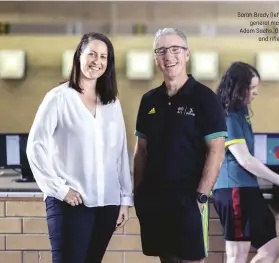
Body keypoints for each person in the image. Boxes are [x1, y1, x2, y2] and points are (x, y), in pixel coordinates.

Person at [26, 32, 133, 263]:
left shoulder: (111, 103)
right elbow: (35, 147)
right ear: (78, 57)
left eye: (103, 56)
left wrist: (125, 198)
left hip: (107, 203)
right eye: (92, 54)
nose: (97, 61)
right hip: (70, 202)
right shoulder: (58, 98)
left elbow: (121, 153)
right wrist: (59, 189)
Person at [133, 27, 227, 263]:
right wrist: (137, 194)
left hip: (189, 201)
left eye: (175, 49)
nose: (169, 56)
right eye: (162, 51)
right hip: (155, 202)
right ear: (156, 58)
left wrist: (201, 197)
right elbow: (141, 151)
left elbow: (216, 150)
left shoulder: (205, 99)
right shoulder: (149, 101)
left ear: (187, 54)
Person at [211, 61, 279, 263]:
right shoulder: (228, 117)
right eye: (251, 88)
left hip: (247, 189)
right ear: (238, 88)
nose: (256, 93)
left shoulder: (241, 113)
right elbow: (245, 159)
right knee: (237, 256)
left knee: (271, 249)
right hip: (234, 189)